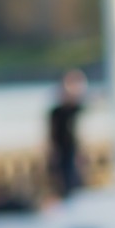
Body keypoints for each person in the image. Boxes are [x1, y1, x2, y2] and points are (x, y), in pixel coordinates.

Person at [46, 69, 88, 201]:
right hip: (62, 152)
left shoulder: (74, 109)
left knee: (76, 182)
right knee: (65, 183)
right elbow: (52, 135)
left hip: (73, 151)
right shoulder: (56, 112)